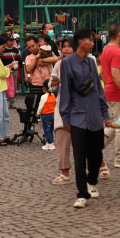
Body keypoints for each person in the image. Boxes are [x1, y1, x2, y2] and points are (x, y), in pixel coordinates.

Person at [60, 28, 109, 209]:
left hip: (95, 114)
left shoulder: (91, 62)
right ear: (81, 42)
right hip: (77, 115)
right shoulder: (67, 63)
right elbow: (64, 91)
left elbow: (98, 89)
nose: (93, 42)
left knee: (96, 154)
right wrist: (65, 118)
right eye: (90, 39)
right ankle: (82, 193)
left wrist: (105, 113)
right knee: (79, 156)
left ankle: (92, 180)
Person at [101, 23, 120, 169]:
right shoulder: (117, 52)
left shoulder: (106, 50)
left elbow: (103, 73)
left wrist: (108, 85)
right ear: (119, 34)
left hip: (110, 90)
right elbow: (115, 74)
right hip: (118, 93)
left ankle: (97, 146)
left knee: (117, 123)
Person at [51, 36, 74, 185]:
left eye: (69, 46)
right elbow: (51, 87)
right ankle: (64, 172)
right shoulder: (59, 64)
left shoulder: (86, 62)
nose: (65, 49)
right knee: (61, 136)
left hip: (79, 107)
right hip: (62, 105)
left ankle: (100, 163)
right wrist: (53, 83)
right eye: (63, 46)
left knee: (85, 141)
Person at [36, 84, 56, 150]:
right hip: (53, 114)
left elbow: (41, 106)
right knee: (51, 128)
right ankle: (50, 141)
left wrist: (38, 113)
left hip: (46, 115)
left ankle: (50, 143)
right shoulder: (53, 95)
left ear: (44, 89)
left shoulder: (44, 96)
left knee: (46, 129)